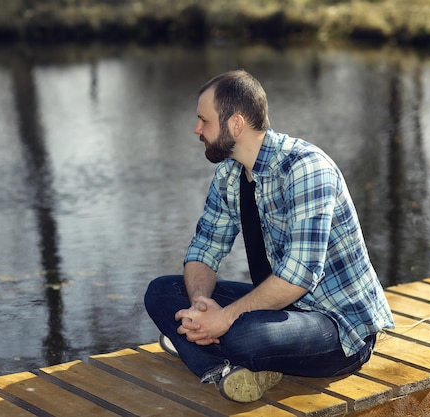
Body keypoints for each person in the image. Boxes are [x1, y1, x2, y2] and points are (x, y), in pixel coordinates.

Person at [144, 70, 394, 403]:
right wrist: (201, 304)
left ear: (235, 125)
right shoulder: (229, 176)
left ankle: (209, 349)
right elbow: (203, 251)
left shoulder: (306, 168)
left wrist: (223, 318)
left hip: (337, 328)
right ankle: (230, 368)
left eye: (203, 120)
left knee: (243, 335)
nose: (197, 129)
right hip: (283, 313)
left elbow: (300, 276)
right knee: (163, 291)